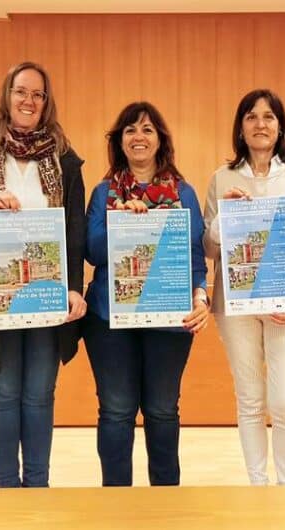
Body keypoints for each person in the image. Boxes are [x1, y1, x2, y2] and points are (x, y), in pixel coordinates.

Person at [0, 62, 86, 488]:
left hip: (47, 296)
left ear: (47, 102)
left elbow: (75, 230)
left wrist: (74, 288)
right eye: (21, 91)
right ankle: (7, 491)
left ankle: (37, 488)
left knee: (39, 395)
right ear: (7, 95)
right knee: (2, 396)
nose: (29, 100)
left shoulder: (65, 158)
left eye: (38, 94)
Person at [83, 101, 209, 486]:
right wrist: (122, 223)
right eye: (130, 130)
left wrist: (201, 297)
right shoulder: (103, 192)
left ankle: (164, 500)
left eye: (147, 129)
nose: (138, 137)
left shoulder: (184, 193)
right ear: (120, 141)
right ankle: (116, 500)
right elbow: (92, 251)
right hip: (109, 319)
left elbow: (195, 255)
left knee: (162, 411)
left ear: (160, 140)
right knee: (116, 411)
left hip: (169, 319)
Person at [202, 89, 285, 486]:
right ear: (240, 127)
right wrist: (225, 217)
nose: (260, 124)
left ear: (281, 126)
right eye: (251, 117)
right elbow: (208, 246)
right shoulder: (221, 177)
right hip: (235, 305)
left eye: (269, 116)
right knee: (250, 398)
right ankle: (258, 483)